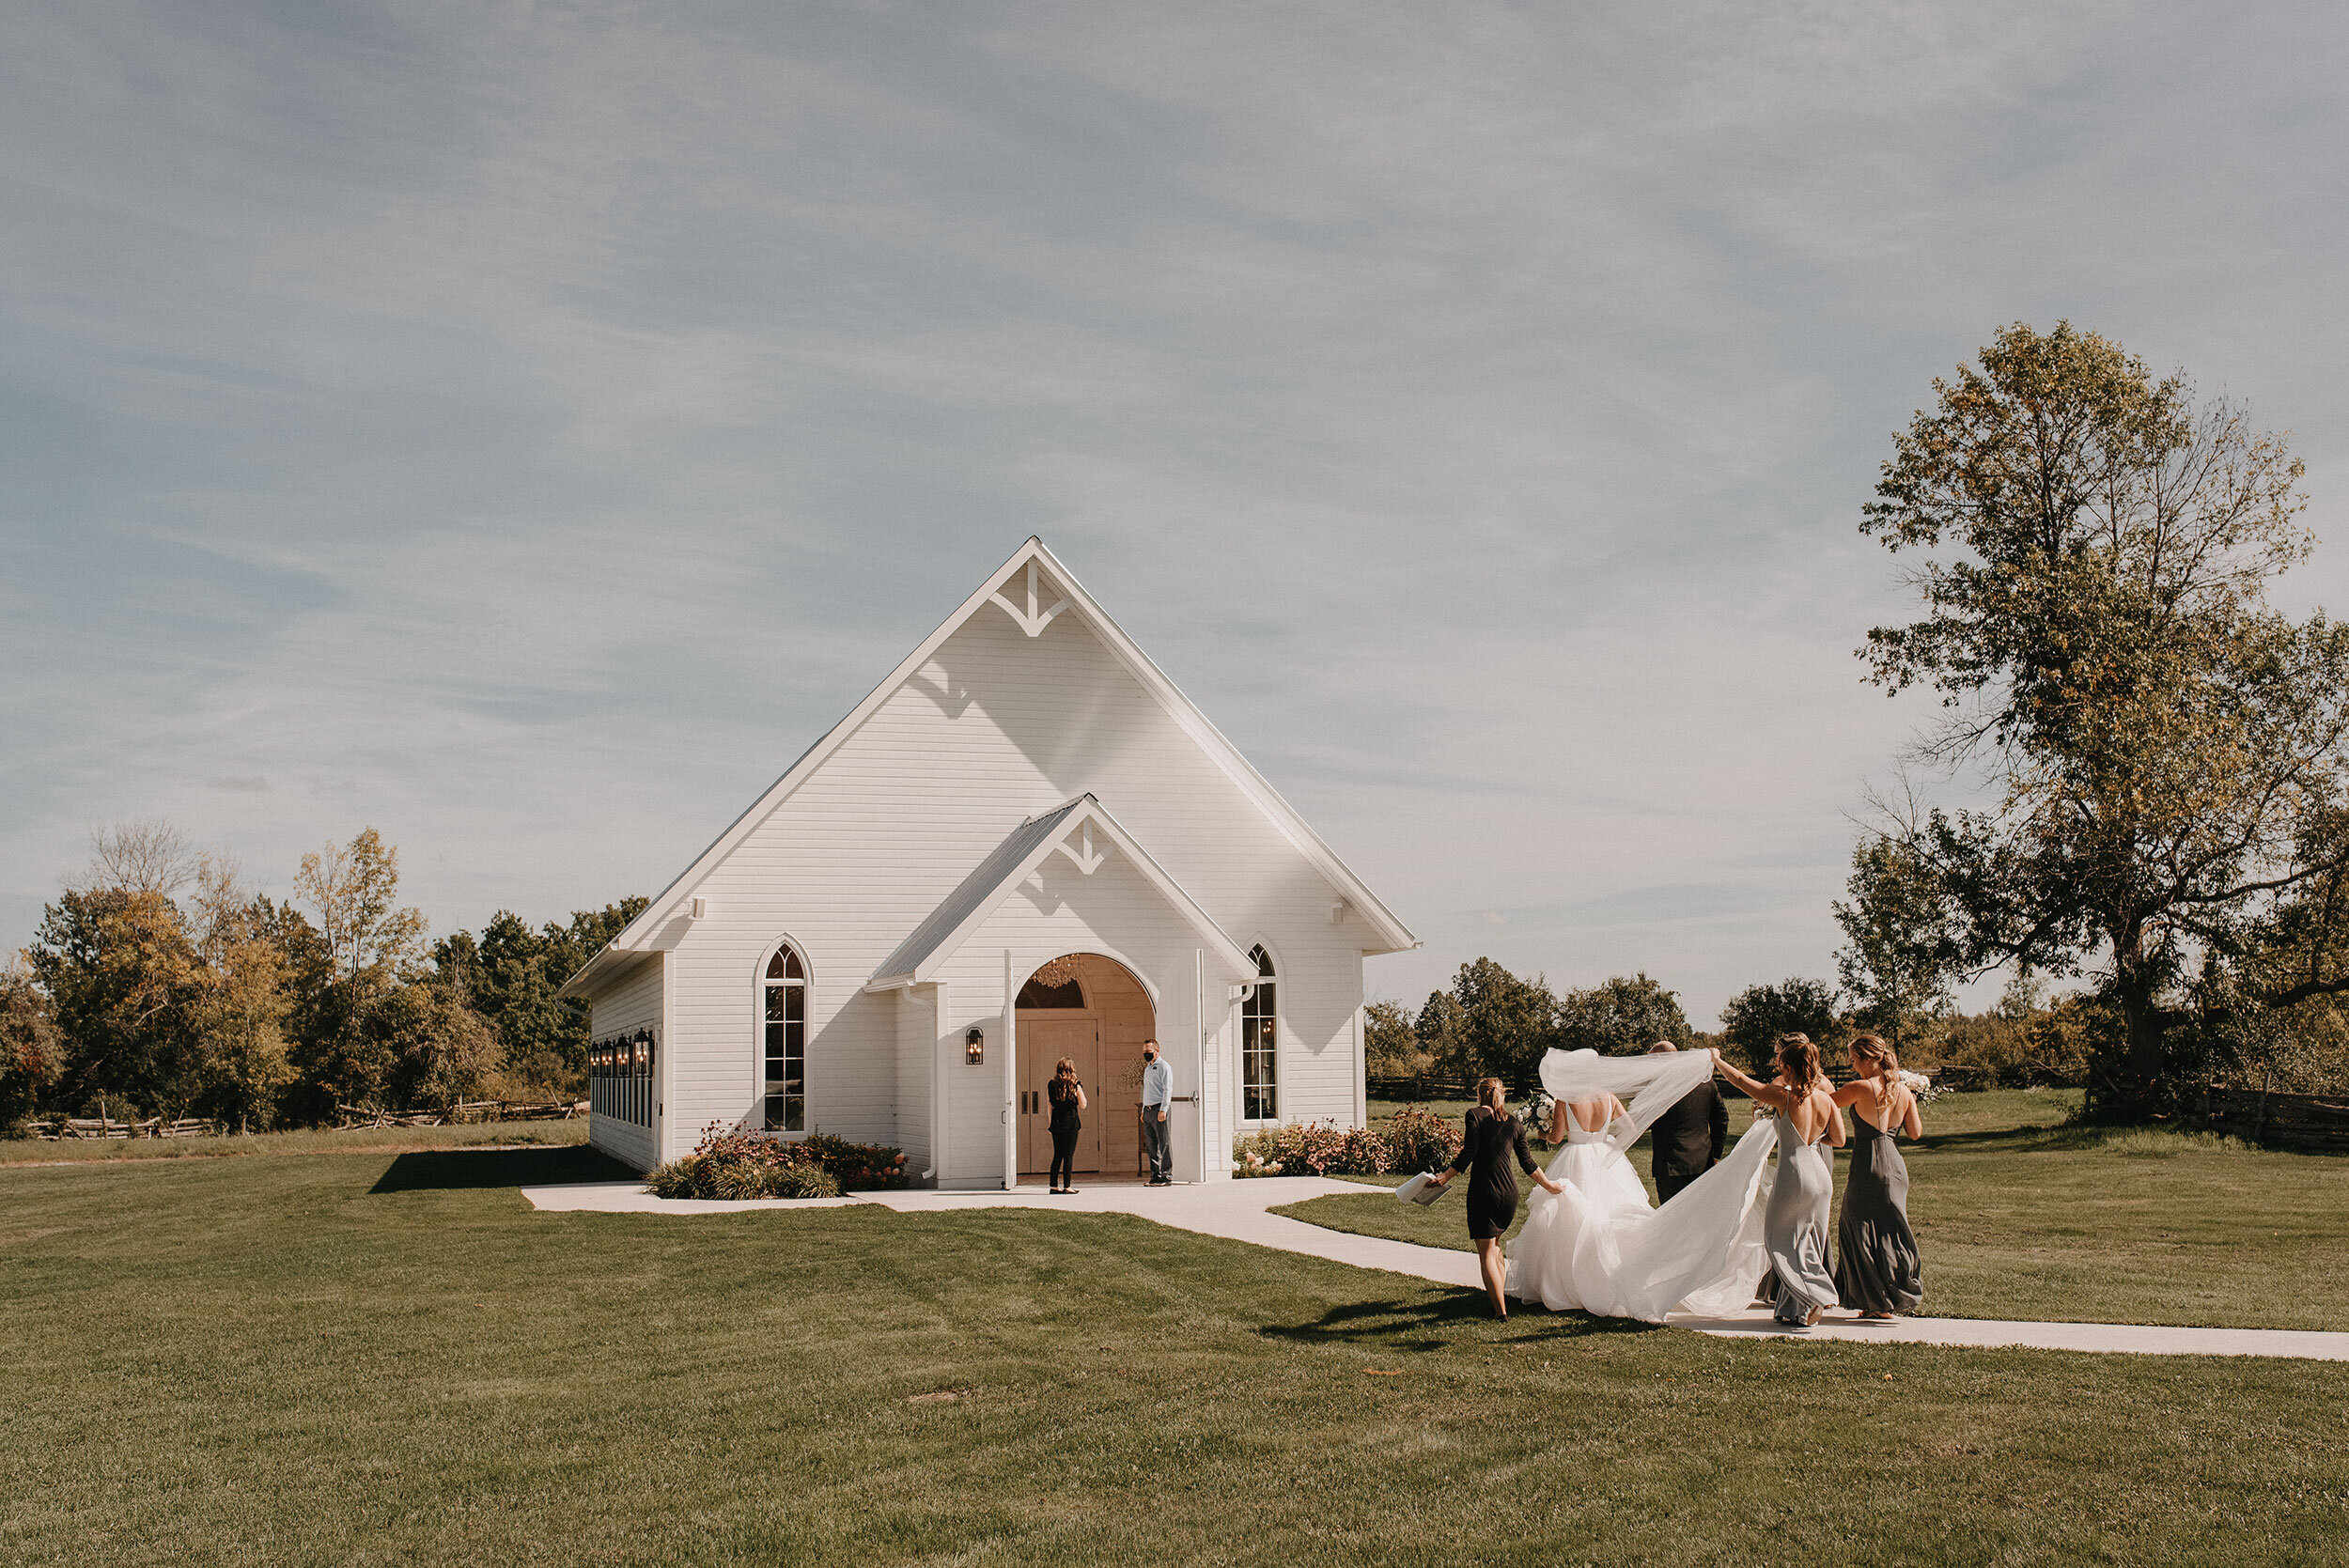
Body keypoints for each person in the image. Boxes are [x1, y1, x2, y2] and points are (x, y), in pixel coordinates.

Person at [1711, 1034, 1844, 1327]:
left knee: (1778, 1238)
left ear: (1788, 1066)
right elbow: (1839, 1139)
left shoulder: (1784, 1097)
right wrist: (1813, 1138)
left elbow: (1744, 1084)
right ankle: (1798, 1306)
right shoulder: (1825, 1099)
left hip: (1794, 1171)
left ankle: (1818, 1294)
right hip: (1820, 1173)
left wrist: (1717, 1061)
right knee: (1807, 1237)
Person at [1429, 1078, 1563, 1318]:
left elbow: (1469, 1151)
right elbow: (1528, 1163)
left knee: (1486, 1253)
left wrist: (1445, 1176)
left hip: (1484, 1190)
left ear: (1479, 1095)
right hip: (1509, 1194)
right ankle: (1498, 1301)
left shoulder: (1474, 1115)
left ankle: (1500, 1311)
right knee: (1496, 1247)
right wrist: (1549, 1185)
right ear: (1502, 1094)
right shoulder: (1514, 1123)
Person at [1832, 1033, 1924, 1318]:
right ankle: (1889, 1297)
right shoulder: (1905, 1091)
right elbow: (1915, 1132)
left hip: (1868, 1164)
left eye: (1854, 1059)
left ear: (1868, 1058)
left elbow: (1823, 1106)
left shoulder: (1859, 1087)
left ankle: (1874, 1301)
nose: (1852, 1065)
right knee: (1889, 1230)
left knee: (1858, 1227)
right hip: (1895, 1166)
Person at [1642, 1040, 1728, 1203]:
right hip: (1702, 1161)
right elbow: (1721, 1118)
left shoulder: (1659, 1087)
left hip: (1670, 1165)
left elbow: (1646, 1120)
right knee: (1699, 1217)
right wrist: (1715, 1154)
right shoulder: (1705, 1082)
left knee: (1670, 1220)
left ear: (1660, 1059)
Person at [1046, 1057, 1087, 1195]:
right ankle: (1067, 1186)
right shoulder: (1074, 1085)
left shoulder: (1051, 1084)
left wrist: (1050, 1123)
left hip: (1057, 1123)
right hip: (1071, 1123)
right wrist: (1078, 1088)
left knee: (1057, 1154)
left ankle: (1053, 1186)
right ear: (1071, 1070)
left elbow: (1049, 1105)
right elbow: (1083, 1104)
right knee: (1068, 1155)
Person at [1139, 1040, 1173, 1185]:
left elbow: (1167, 1089)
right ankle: (1155, 1176)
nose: (1146, 1055)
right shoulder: (1148, 1068)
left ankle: (1166, 1176)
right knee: (1151, 1145)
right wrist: (1143, 1110)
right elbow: (1146, 1090)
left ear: (1157, 1051)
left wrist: (1163, 1109)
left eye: (1149, 1052)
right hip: (1148, 1110)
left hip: (1159, 1109)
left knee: (1163, 1143)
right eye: (1144, 1052)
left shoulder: (1164, 1067)